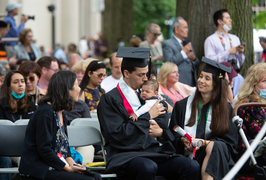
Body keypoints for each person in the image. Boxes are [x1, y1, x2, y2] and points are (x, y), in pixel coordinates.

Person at [97, 47, 200, 179]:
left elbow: (164, 128)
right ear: (127, 73)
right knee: (148, 167)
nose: (146, 79)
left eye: (146, 74)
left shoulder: (148, 95)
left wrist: (162, 133)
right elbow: (118, 135)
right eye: (141, 75)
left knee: (191, 167)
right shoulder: (110, 99)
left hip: (155, 152)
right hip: (126, 155)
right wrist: (148, 116)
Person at [19, 71, 101, 180]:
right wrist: (67, 168)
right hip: (40, 170)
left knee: (96, 176)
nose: (79, 89)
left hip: (56, 166)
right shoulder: (45, 113)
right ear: (66, 89)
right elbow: (44, 149)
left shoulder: (61, 113)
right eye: (76, 85)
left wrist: (73, 164)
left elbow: (65, 149)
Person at [169, 57, 238, 180]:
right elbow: (171, 135)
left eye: (207, 78)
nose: (201, 81)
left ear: (216, 83)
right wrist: (182, 141)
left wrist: (205, 143)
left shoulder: (225, 109)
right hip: (189, 157)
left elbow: (230, 144)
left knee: (217, 147)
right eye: (200, 76)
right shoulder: (182, 106)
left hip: (215, 158)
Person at [234, 63, 266, 158]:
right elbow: (263, 134)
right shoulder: (250, 104)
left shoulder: (265, 103)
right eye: (264, 81)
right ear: (253, 86)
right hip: (251, 154)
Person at [162, 16, 199, 87]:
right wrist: (183, 53)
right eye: (185, 27)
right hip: (178, 83)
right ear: (176, 29)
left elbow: (197, 63)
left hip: (192, 82)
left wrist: (193, 58)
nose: (187, 30)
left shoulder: (187, 43)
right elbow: (169, 63)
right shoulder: (168, 44)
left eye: (187, 28)